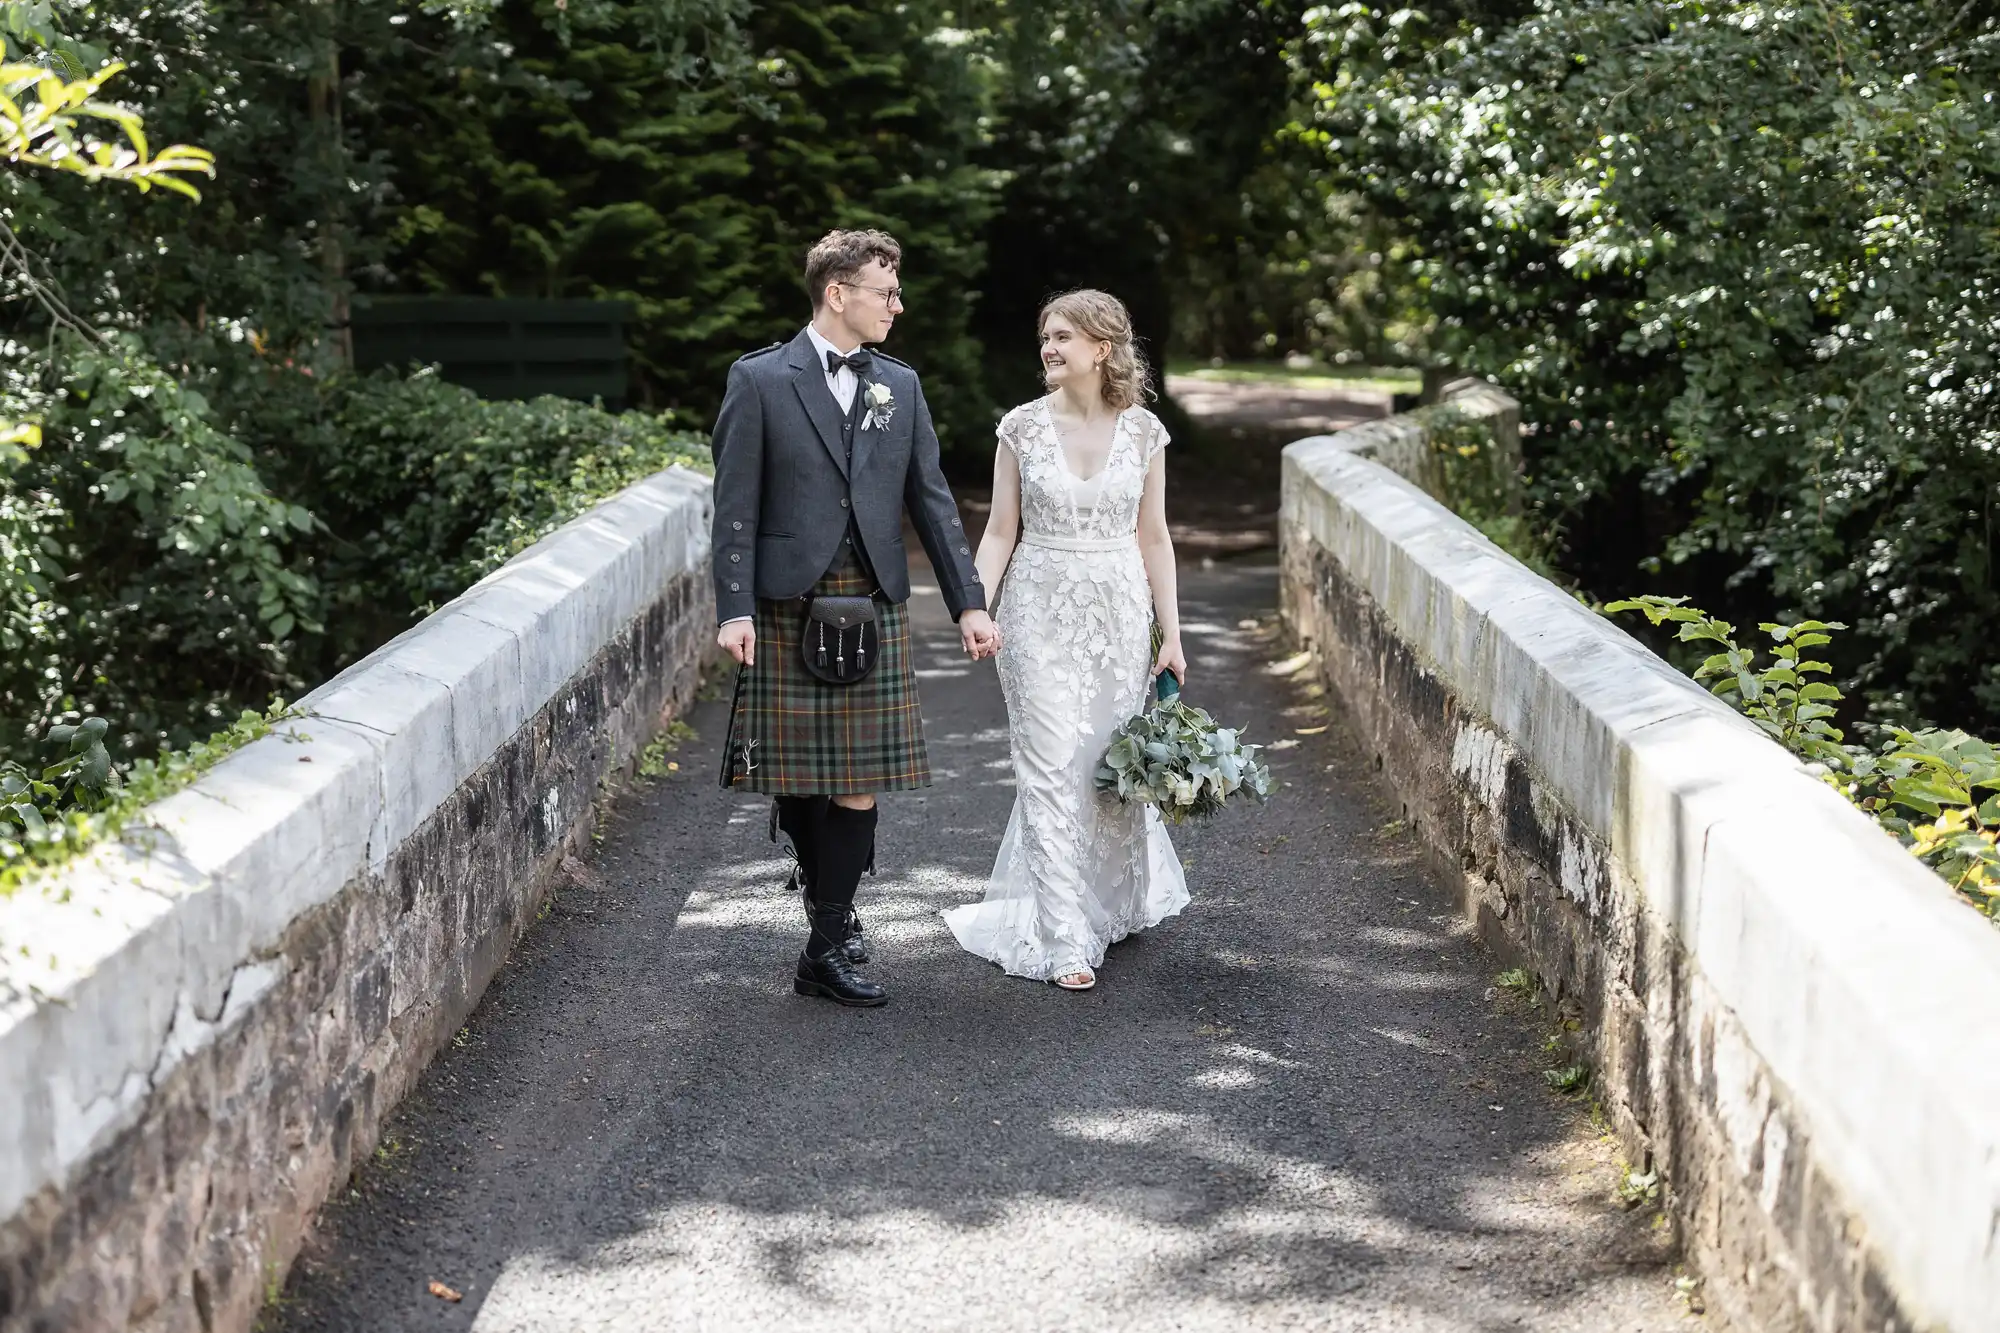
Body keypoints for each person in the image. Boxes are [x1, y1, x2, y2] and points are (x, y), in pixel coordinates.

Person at [712, 228, 1000, 1007]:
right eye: (885, 291)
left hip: (869, 598)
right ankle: (828, 896)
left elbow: (932, 501)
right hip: (783, 600)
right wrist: (731, 608)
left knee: (860, 777)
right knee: (802, 780)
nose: (897, 305)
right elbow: (733, 508)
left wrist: (969, 599)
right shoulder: (761, 378)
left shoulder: (899, 386)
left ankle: (826, 943)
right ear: (838, 294)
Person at [943, 289, 1190, 990]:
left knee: (1105, 770)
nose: (1049, 347)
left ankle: (1103, 905)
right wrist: (975, 606)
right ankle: (1062, 939)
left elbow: (1155, 537)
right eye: (1045, 335)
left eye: (1063, 336)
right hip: (1036, 612)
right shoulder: (1020, 428)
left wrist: (1170, 635)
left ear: (1101, 348)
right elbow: (998, 530)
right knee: (1049, 764)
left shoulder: (1144, 432)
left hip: (1118, 614)